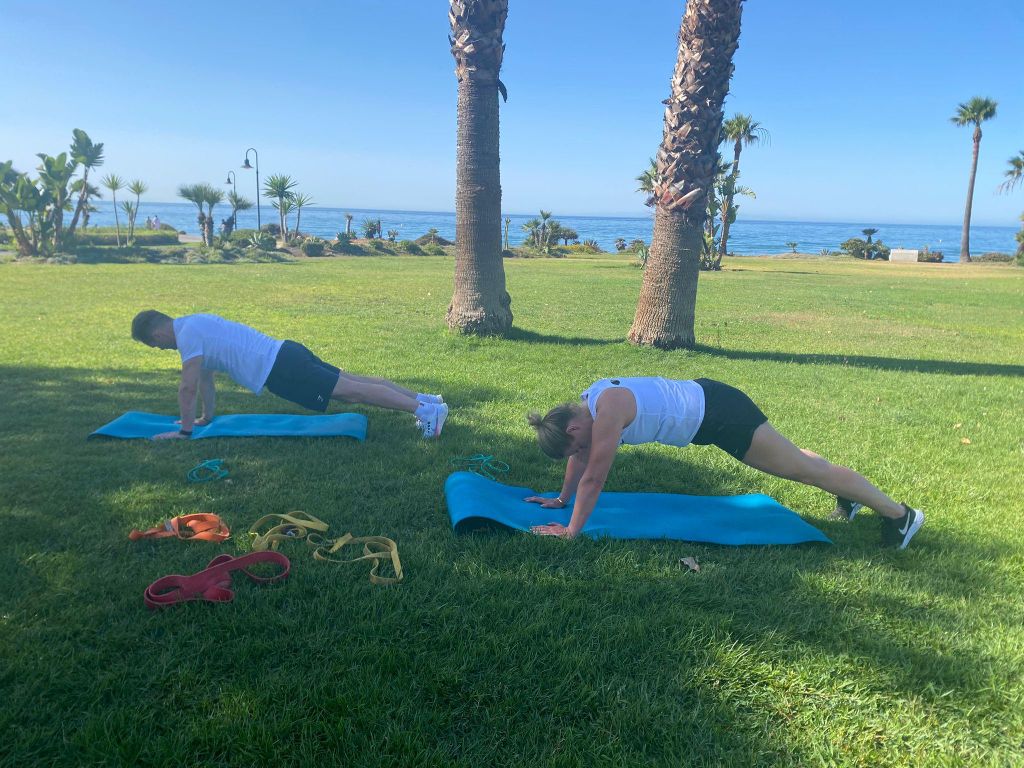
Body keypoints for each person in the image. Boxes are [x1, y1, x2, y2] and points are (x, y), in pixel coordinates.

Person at [525, 377, 924, 549]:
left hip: (720, 415)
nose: (576, 458)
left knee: (801, 469)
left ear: (575, 428)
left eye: (574, 449)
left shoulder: (608, 410)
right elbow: (582, 464)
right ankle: (847, 495)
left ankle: (901, 515)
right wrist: (562, 499)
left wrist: (572, 531)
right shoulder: (592, 404)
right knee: (798, 461)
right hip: (711, 406)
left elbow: (594, 475)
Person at [131, 310, 447, 440]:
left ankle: (426, 413)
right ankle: (427, 401)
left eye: (158, 347)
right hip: (286, 352)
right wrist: (205, 418)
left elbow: (187, 388)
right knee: (356, 381)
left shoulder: (187, 336)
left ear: (156, 337)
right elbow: (204, 380)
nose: (163, 350)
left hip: (281, 367)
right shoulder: (194, 323)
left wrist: (184, 433)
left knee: (352, 391)